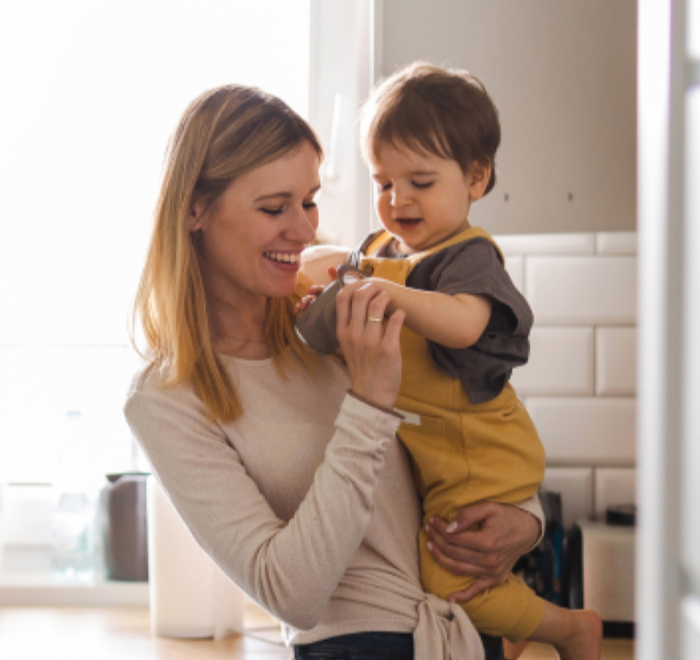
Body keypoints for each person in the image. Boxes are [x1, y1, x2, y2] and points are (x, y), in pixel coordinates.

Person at [125, 84, 564, 660]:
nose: (305, 231)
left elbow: (475, 418)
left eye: (309, 201)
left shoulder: (334, 302)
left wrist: (522, 521)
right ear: (195, 210)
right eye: (273, 208)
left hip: (469, 635)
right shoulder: (166, 398)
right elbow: (291, 592)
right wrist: (369, 401)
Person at [300, 62, 603, 660]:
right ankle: (513, 627)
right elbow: (345, 272)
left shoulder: (468, 255)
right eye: (383, 182)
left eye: (419, 181)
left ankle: (568, 628)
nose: (397, 200)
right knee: (461, 570)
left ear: (476, 177)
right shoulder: (386, 249)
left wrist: (386, 292)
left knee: (451, 579)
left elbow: (466, 323)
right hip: (442, 449)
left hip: (480, 450)